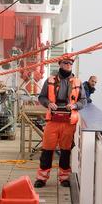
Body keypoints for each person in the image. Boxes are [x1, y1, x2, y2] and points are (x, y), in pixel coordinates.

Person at [34, 57, 87, 188]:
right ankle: (41, 178)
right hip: (52, 121)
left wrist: (74, 106)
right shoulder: (50, 80)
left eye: (70, 63)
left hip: (68, 122)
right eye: (65, 62)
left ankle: (64, 178)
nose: (68, 65)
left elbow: (83, 101)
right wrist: (48, 104)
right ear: (60, 64)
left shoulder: (78, 82)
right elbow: (41, 97)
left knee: (65, 151)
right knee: (47, 150)